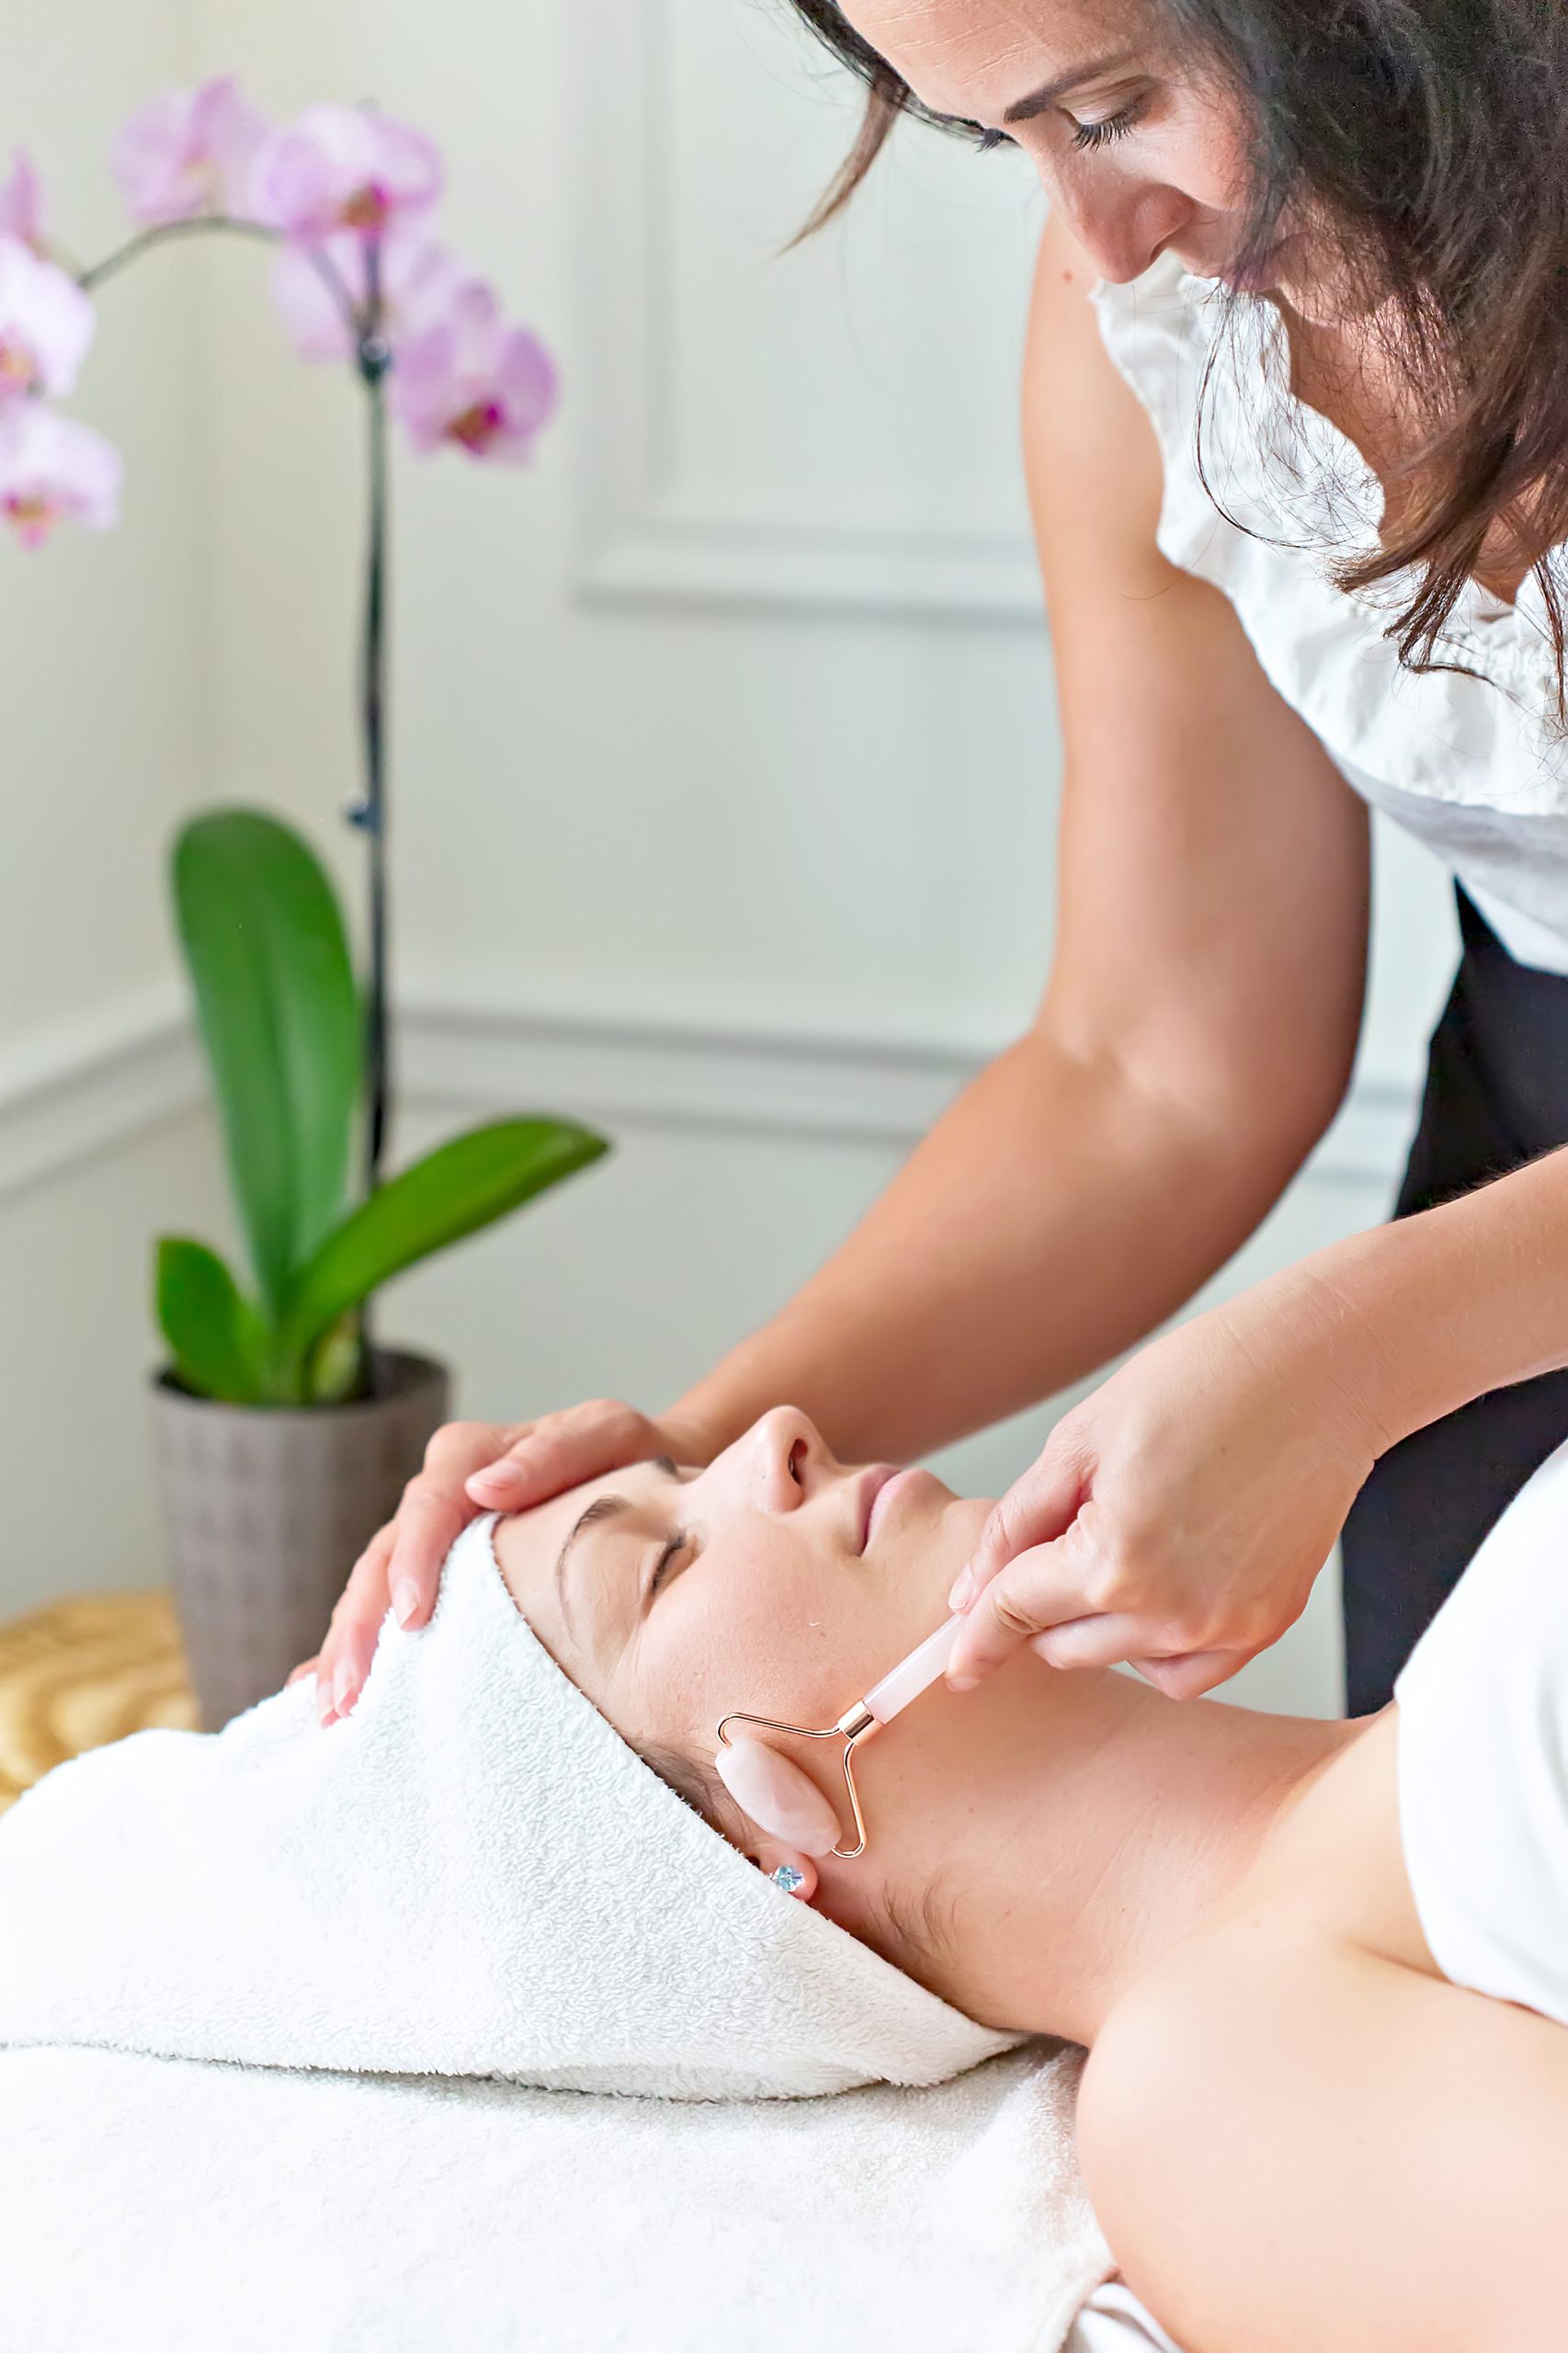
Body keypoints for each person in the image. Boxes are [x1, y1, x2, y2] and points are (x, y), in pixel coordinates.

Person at [303, 0, 1568, 1727]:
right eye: (1005, 141)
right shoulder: (1152, 324)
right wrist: (697, 1444)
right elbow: (1155, 1070)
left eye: (1113, 108)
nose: (1095, 242)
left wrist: (1363, 1345)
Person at [484, 1404, 1568, 2350]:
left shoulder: (1459, 1641)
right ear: (747, 1854)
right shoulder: (1199, 2089)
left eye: (682, 1474)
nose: (774, 1433)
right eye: (664, 1562)